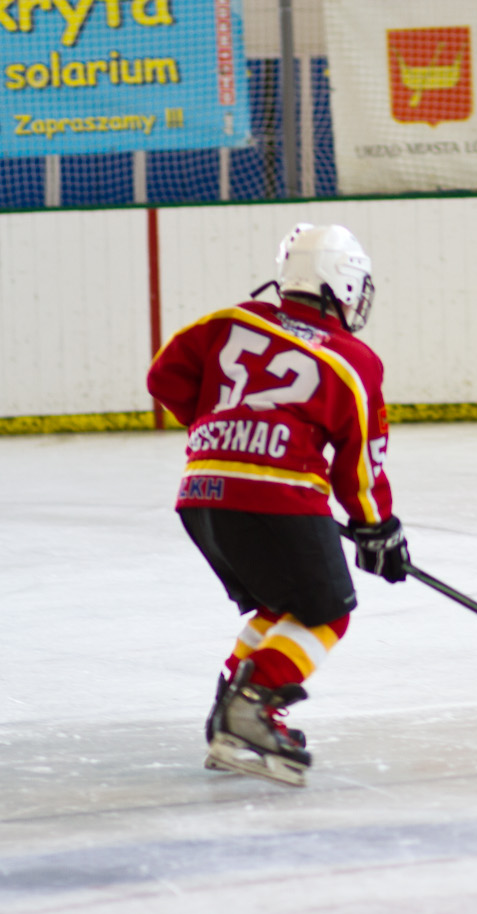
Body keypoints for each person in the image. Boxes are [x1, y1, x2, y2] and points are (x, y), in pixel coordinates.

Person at [146, 223, 409, 787]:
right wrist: (376, 526)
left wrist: (222, 432)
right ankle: (250, 709)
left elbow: (163, 376)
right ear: (342, 285)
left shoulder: (228, 321)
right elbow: (361, 461)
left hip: (202, 494)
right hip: (275, 496)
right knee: (327, 611)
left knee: (281, 603)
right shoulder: (352, 359)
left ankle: (231, 707)